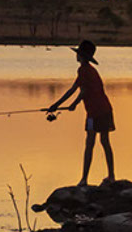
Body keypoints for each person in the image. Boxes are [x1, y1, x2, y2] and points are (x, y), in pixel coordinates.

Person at [46, 39, 115, 187]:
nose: (76, 56)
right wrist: (56, 105)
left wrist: (73, 104)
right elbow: (73, 90)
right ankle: (109, 176)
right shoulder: (85, 71)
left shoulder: (84, 70)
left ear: (82, 56)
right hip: (101, 111)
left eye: (78, 53)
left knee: (93, 143)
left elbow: (83, 91)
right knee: (101, 142)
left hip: (98, 112)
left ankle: (86, 179)